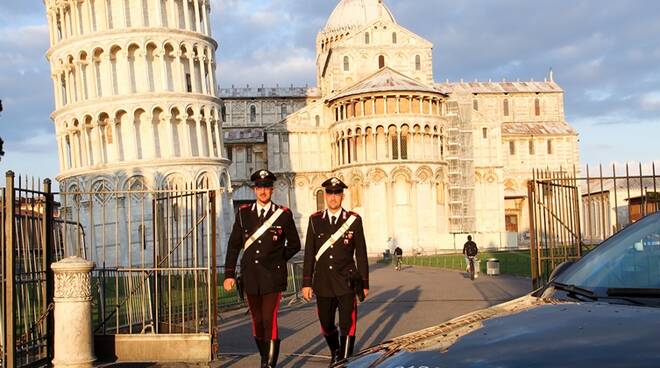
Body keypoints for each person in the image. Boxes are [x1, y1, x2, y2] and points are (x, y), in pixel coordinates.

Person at [223, 169, 301, 368]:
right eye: (259, 187)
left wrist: (277, 259)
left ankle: (268, 365)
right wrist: (229, 274)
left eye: (266, 187)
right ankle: (265, 356)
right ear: (254, 189)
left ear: (272, 189)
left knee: (269, 319)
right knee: (257, 322)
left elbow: (294, 245)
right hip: (250, 277)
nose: (263, 191)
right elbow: (233, 246)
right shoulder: (243, 214)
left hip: (272, 277)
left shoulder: (283, 215)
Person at [302, 177, 369, 366]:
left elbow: (361, 254)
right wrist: (306, 282)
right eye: (330, 193)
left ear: (342, 196)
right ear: (325, 195)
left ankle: (344, 361)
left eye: (337, 193)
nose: (333, 197)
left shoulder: (353, 220)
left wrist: (364, 283)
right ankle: (336, 351)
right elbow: (309, 253)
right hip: (323, 283)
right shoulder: (315, 221)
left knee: (348, 325)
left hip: (347, 282)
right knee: (326, 323)